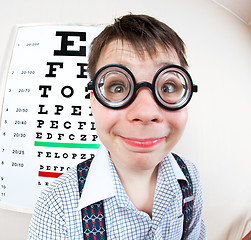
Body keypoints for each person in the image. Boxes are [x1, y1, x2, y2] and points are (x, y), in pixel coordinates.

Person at [28, 14, 206, 239]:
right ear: (94, 101)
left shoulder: (190, 179)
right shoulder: (57, 208)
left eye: (168, 86)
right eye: (118, 87)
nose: (145, 113)